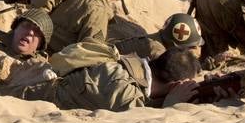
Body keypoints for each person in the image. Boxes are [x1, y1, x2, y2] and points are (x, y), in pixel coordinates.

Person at [19, 13, 205, 112]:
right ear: (174, 85)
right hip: (24, 100)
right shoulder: (123, 92)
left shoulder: (129, 65)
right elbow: (139, 122)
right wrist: (170, 105)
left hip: (33, 83)